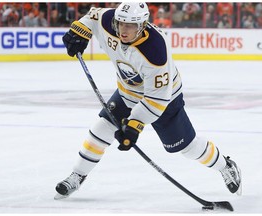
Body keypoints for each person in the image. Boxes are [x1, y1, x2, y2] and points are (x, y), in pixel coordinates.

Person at [55, 2, 242, 200]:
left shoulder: (155, 51)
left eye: (130, 26)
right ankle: (78, 175)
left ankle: (225, 165)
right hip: (128, 92)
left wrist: (134, 124)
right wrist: (79, 30)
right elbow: (93, 16)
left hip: (165, 99)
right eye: (120, 24)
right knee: (102, 129)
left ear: (142, 25)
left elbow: (157, 98)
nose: (123, 30)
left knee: (186, 147)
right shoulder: (110, 21)